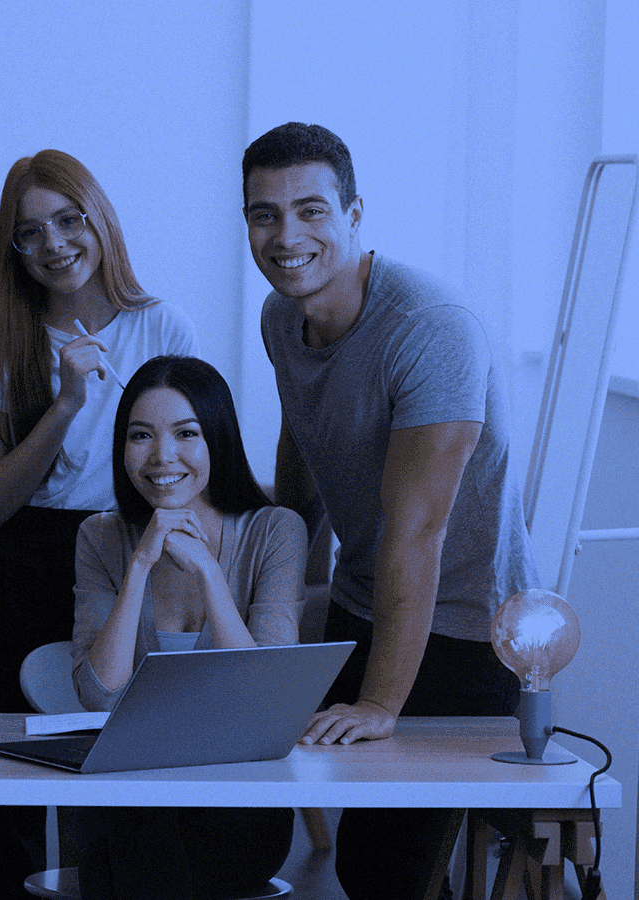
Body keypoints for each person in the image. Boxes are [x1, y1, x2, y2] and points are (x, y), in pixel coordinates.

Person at [243, 122, 538, 900]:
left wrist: (380, 702)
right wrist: (277, 584)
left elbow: (419, 533)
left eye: (310, 210)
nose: (286, 235)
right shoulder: (282, 317)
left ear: (354, 212)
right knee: (364, 858)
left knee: (387, 868)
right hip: (364, 600)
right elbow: (299, 450)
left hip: (471, 623)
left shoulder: (429, 329)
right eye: (264, 214)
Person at [0, 149, 197, 899]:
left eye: (68, 220)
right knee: (0, 810)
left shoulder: (163, 326)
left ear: (99, 219)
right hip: (6, 569)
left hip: (117, 556)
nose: (53, 244)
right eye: (30, 232)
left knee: (110, 808)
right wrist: (68, 403)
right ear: (13, 250)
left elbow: (185, 469)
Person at [68, 355, 303, 899]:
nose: (161, 456)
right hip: (130, 796)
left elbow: (263, 699)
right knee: (131, 818)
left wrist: (210, 574)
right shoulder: (100, 537)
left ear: (216, 440)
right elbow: (99, 697)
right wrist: (140, 568)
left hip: (236, 799)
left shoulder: (275, 532)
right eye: (141, 436)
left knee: (142, 839)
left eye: (186, 433)